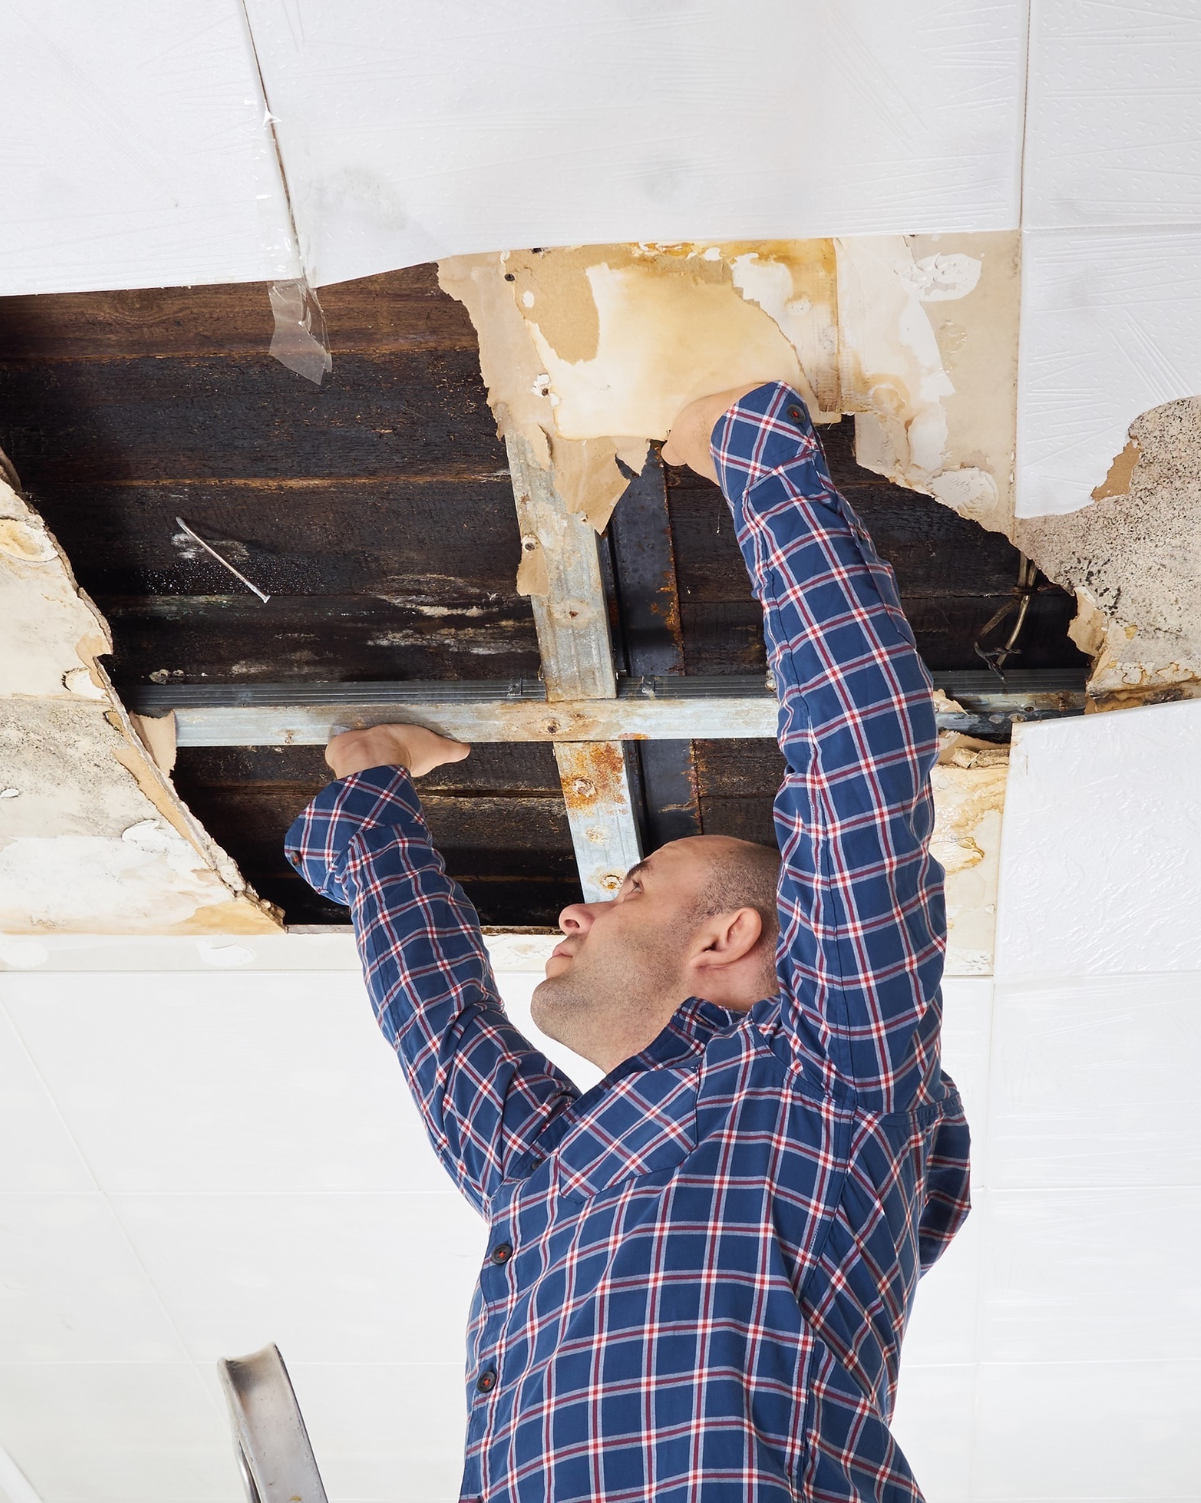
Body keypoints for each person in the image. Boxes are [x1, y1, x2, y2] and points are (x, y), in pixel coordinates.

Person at [285, 380, 969, 1502]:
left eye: (625, 886)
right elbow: (859, 754)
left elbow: (439, 1034)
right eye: (633, 885)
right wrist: (751, 451)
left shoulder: (558, 1169)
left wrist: (369, 804)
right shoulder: (822, 1069)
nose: (575, 910)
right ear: (726, 933)